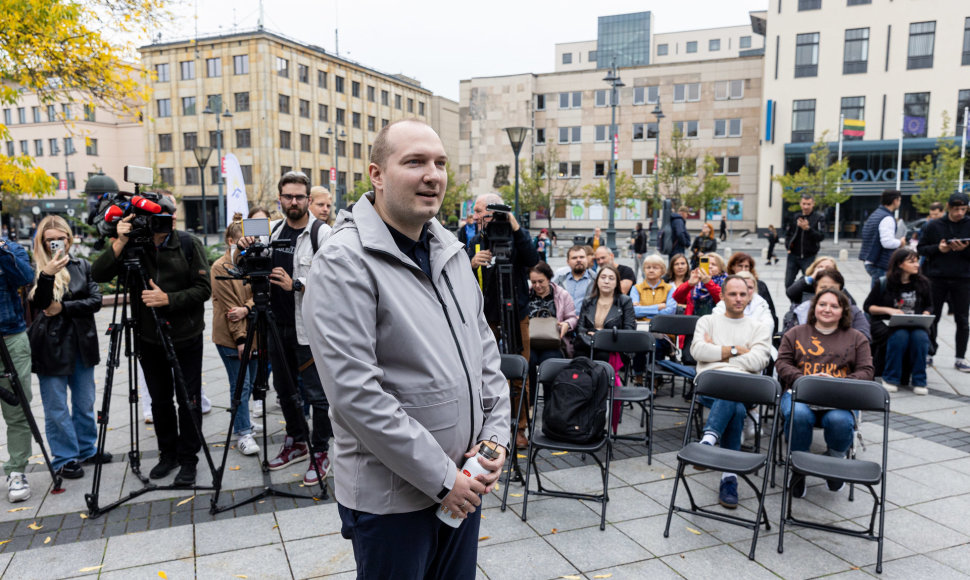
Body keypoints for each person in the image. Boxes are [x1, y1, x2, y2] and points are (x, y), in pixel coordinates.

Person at [305, 119, 510, 578]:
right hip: (394, 501)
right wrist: (444, 480)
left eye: (439, 163)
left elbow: (485, 356)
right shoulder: (344, 261)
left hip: (465, 482)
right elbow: (357, 394)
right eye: (414, 162)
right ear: (376, 174)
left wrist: (493, 444)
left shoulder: (452, 251)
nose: (432, 174)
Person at [92, 192, 210, 487]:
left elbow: (204, 289)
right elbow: (98, 272)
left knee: (189, 400)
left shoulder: (187, 243)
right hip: (148, 337)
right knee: (160, 401)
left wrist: (167, 298)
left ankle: (189, 458)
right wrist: (119, 240)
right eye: (155, 219)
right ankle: (167, 454)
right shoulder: (134, 243)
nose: (160, 225)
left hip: (186, 336)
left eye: (166, 219)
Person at [237, 171, 334, 484]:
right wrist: (243, 248)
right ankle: (296, 441)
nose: (294, 201)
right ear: (279, 199)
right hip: (275, 326)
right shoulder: (271, 231)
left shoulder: (322, 234)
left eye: (299, 196)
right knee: (284, 389)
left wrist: (298, 284)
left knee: (318, 395)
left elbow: (336, 281)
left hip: (309, 329)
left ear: (307, 199)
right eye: (288, 196)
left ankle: (320, 449)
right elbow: (247, 268)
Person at [28, 216, 108, 481]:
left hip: (82, 343)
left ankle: (86, 449)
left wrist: (63, 308)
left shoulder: (81, 265)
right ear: (42, 241)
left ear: (68, 239)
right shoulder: (36, 269)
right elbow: (40, 304)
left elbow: (95, 300)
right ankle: (65, 458)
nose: (56, 243)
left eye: (60, 238)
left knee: (85, 403)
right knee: (57, 407)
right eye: (50, 239)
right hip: (50, 345)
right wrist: (48, 274)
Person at [775, 289, 874, 497]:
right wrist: (805, 380)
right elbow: (782, 363)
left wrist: (839, 382)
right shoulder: (795, 333)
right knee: (799, 415)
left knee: (839, 420)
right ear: (814, 307)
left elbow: (867, 371)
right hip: (799, 392)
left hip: (839, 397)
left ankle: (834, 463)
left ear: (843, 311)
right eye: (822, 304)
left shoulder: (856, 338)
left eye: (834, 306)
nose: (827, 309)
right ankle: (799, 467)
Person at [691, 276, 772, 508]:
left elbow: (759, 360)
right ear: (723, 295)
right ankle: (729, 477)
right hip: (710, 386)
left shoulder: (759, 328)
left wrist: (717, 356)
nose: (738, 298)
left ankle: (707, 441)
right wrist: (737, 350)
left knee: (734, 392)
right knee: (735, 406)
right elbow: (697, 350)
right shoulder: (707, 321)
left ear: (749, 297)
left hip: (742, 388)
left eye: (743, 294)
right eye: (733, 294)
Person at [468, 192, 539, 448]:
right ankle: (485, 426)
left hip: (517, 314)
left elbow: (533, 260)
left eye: (479, 211)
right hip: (486, 317)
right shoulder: (476, 242)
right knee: (483, 371)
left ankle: (520, 428)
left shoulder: (516, 239)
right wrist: (471, 262)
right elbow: (458, 277)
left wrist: (514, 224)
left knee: (520, 369)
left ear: (494, 212)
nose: (475, 216)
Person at [211, 216, 260, 455]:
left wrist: (248, 308)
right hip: (233, 337)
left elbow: (258, 294)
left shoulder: (249, 263)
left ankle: (243, 422)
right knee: (239, 386)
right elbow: (232, 309)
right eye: (243, 239)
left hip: (252, 332)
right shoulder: (220, 267)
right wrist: (241, 340)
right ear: (231, 240)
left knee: (249, 383)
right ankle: (243, 432)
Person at [864, 248, 932, 395]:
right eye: (911, 261)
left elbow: (929, 305)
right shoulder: (884, 282)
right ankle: (890, 378)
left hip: (916, 324)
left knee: (920, 337)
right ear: (900, 264)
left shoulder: (923, 283)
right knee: (900, 335)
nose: (916, 265)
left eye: (917, 261)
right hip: (887, 324)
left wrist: (926, 314)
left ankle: (920, 381)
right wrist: (889, 311)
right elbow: (868, 306)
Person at [917, 192, 970, 373]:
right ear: (948, 208)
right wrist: (939, 249)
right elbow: (921, 249)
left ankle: (960, 358)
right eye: (956, 209)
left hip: (963, 278)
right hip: (936, 278)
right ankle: (929, 354)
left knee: (962, 319)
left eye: (963, 209)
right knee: (933, 317)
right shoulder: (934, 225)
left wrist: (963, 250)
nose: (959, 213)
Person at [0, 233, 34, 502]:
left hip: (11, 337)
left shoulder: (11, 250)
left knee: (17, 407)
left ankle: (16, 471)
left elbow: (24, 278)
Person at [527, 262, 577, 399]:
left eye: (541, 281)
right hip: (531, 341)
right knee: (528, 361)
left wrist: (567, 324)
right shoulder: (526, 295)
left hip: (554, 342)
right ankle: (530, 402)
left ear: (549, 279)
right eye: (533, 282)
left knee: (550, 362)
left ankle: (551, 402)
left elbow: (572, 317)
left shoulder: (562, 295)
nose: (537, 285)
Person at [782, 270, 870, 340]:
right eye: (823, 288)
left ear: (841, 291)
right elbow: (788, 341)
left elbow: (864, 338)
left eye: (833, 288)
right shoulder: (800, 310)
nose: (828, 292)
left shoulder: (853, 311)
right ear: (815, 289)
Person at [630, 254, 677, 383]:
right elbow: (633, 311)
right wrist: (658, 307)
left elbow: (670, 312)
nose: (651, 270)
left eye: (655, 267)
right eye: (648, 267)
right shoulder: (636, 288)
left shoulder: (669, 289)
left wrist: (644, 311)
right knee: (640, 343)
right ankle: (638, 376)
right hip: (641, 330)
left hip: (662, 332)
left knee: (656, 345)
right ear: (644, 270)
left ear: (662, 271)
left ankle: (654, 380)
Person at [575, 265, 636, 357]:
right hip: (588, 343)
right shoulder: (588, 301)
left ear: (616, 283)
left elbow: (628, 330)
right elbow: (580, 328)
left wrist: (601, 335)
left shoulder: (625, 301)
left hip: (613, 346)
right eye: (603, 277)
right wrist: (592, 332)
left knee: (602, 355)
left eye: (611, 278)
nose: (606, 281)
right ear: (597, 281)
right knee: (580, 355)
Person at [859, 190, 906, 285]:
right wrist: (900, 242)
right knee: (880, 295)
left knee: (879, 294)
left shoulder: (876, 214)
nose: (900, 203)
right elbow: (887, 242)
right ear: (895, 201)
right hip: (880, 262)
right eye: (900, 200)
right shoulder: (887, 218)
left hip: (871, 260)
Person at [727, 252, 778, 333]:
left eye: (746, 266)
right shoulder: (726, 285)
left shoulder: (760, 286)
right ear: (733, 267)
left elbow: (771, 315)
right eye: (740, 266)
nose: (743, 269)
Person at [784, 194, 826, 288]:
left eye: (808, 204)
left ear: (813, 204)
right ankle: (794, 302)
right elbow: (788, 234)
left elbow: (821, 236)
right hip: (793, 255)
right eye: (804, 204)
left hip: (809, 257)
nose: (806, 206)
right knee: (788, 283)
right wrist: (788, 246)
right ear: (800, 204)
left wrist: (808, 229)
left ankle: (804, 302)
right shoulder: (795, 217)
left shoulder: (818, 218)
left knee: (809, 283)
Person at [552, 244, 595, 314]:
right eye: (574, 258)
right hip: (563, 322)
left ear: (586, 260)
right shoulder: (558, 281)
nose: (578, 260)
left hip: (586, 322)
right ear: (568, 262)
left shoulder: (596, 280)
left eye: (582, 257)